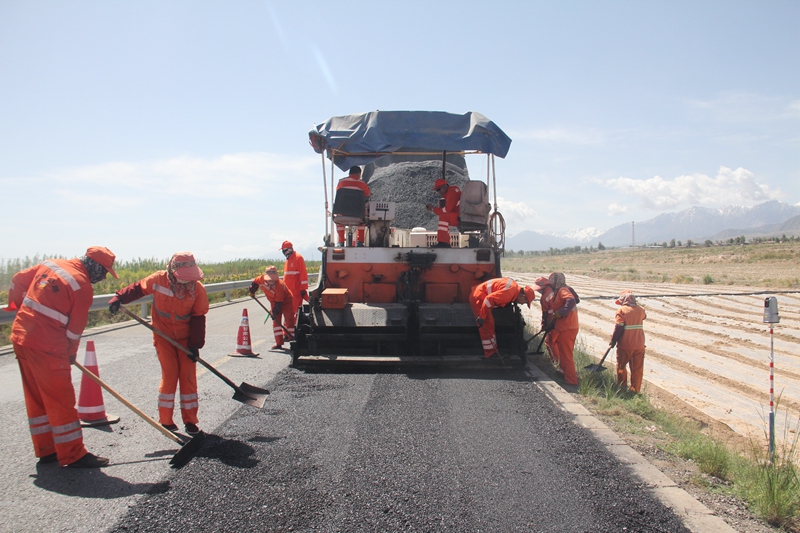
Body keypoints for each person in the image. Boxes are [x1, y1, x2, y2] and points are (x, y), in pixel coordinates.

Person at [6, 246, 119, 467]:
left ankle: (46, 449)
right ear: (94, 266)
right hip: (48, 346)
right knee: (61, 400)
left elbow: (18, 280)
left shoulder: (51, 264)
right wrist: (69, 354)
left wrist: (21, 310)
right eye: (104, 271)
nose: (104, 276)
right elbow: (74, 330)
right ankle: (73, 454)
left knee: (36, 397)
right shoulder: (81, 286)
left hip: (22, 338)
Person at [108, 252, 208, 436]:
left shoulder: (198, 290)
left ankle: (191, 422)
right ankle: (166, 421)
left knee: (187, 377)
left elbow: (198, 317)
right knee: (170, 375)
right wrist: (119, 298)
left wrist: (195, 346)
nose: (187, 283)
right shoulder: (158, 280)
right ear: (173, 270)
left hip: (186, 339)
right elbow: (138, 288)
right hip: (163, 336)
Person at [469, 278, 537, 359]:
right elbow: (488, 300)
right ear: (523, 296)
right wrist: (482, 317)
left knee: (491, 325)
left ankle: (493, 350)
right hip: (479, 298)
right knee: (487, 326)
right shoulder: (508, 294)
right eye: (525, 302)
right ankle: (490, 354)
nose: (522, 304)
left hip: (480, 294)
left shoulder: (513, 288)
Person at [542, 272, 580, 385]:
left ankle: (571, 381)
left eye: (552, 282)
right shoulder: (560, 290)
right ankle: (564, 373)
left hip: (567, 327)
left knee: (566, 355)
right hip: (567, 327)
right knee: (564, 353)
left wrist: (561, 312)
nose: (551, 285)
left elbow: (571, 300)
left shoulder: (563, 290)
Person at [609, 290, 647, 393]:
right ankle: (635, 390)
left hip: (625, 345)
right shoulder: (641, 310)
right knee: (637, 370)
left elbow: (619, 327)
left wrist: (613, 341)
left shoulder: (621, 310)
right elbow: (643, 317)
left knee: (621, 366)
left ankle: (622, 387)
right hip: (639, 345)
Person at [249, 265, 295, 350]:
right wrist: (252, 291)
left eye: (273, 280)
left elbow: (279, 302)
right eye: (269, 280)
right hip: (274, 302)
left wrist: (274, 313)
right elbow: (254, 283)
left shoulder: (279, 285)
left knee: (289, 320)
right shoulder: (261, 279)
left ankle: (292, 339)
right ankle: (278, 343)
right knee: (276, 323)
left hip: (286, 302)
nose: (271, 282)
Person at [335, 166, 371, 247]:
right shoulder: (362, 183)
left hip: (342, 215)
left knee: (338, 216)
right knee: (364, 216)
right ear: (359, 174)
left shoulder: (341, 182)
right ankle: (360, 242)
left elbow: (338, 193)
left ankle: (340, 242)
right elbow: (368, 194)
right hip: (358, 215)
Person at [425, 179, 462, 248]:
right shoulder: (452, 191)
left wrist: (433, 209)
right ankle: (446, 242)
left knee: (443, 216)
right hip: (460, 215)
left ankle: (443, 242)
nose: (438, 192)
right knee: (444, 217)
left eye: (439, 189)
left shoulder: (451, 192)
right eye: (437, 190)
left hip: (459, 217)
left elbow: (447, 210)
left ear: (445, 186)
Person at [280, 241, 308, 322]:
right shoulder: (287, 261)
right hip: (287, 293)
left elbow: (303, 275)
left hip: (295, 293)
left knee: (293, 313)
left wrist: (303, 289)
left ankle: (291, 332)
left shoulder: (298, 258)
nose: (283, 253)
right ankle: (288, 332)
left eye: (284, 250)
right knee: (287, 313)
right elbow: (286, 277)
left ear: (289, 249)